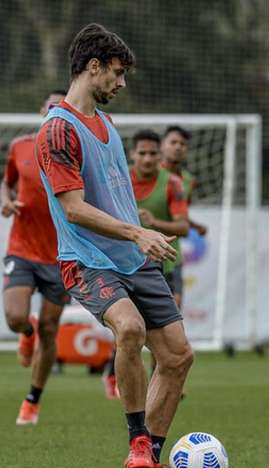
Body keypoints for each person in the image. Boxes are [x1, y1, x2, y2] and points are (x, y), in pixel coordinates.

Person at [35, 23, 193, 468]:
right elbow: (73, 208)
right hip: (85, 260)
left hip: (133, 258)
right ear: (93, 66)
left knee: (179, 357)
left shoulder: (104, 124)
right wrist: (139, 232)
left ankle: (149, 462)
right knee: (130, 327)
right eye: (118, 73)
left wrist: (139, 239)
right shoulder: (57, 131)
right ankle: (137, 441)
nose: (122, 84)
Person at [101, 130, 190, 399]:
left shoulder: (173, 183)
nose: (148, 159)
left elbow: (183, 226)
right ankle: (113, 373)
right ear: (133, 154)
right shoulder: (118, 179)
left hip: (166, 265)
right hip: (126, 265)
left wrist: (154, 223)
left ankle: (160, 384)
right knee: (130, 328)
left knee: (168, 332)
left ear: (159, 156)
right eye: (143, 153)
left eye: (153, 154)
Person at [0, 90, 70, 426]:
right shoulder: (20, 147)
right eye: (51, 106)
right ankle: (25, 335)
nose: (55, 111)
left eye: (61, 107)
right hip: (23, 248)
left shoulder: (75, 151)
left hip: (62, 254)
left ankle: (32, 401)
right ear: (42, 111)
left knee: (51, 328)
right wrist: (6, 201)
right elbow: (6, 183)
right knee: (15, 317)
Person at [160, 125, 206, 306]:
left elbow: (179, 215)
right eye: (173, 142)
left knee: (174, 307)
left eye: (183, 144)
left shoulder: (188, 181)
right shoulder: (148, 175)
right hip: (145, 251)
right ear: (162, 145)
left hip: (173, 252)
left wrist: (194, 226)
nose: (178, 147)